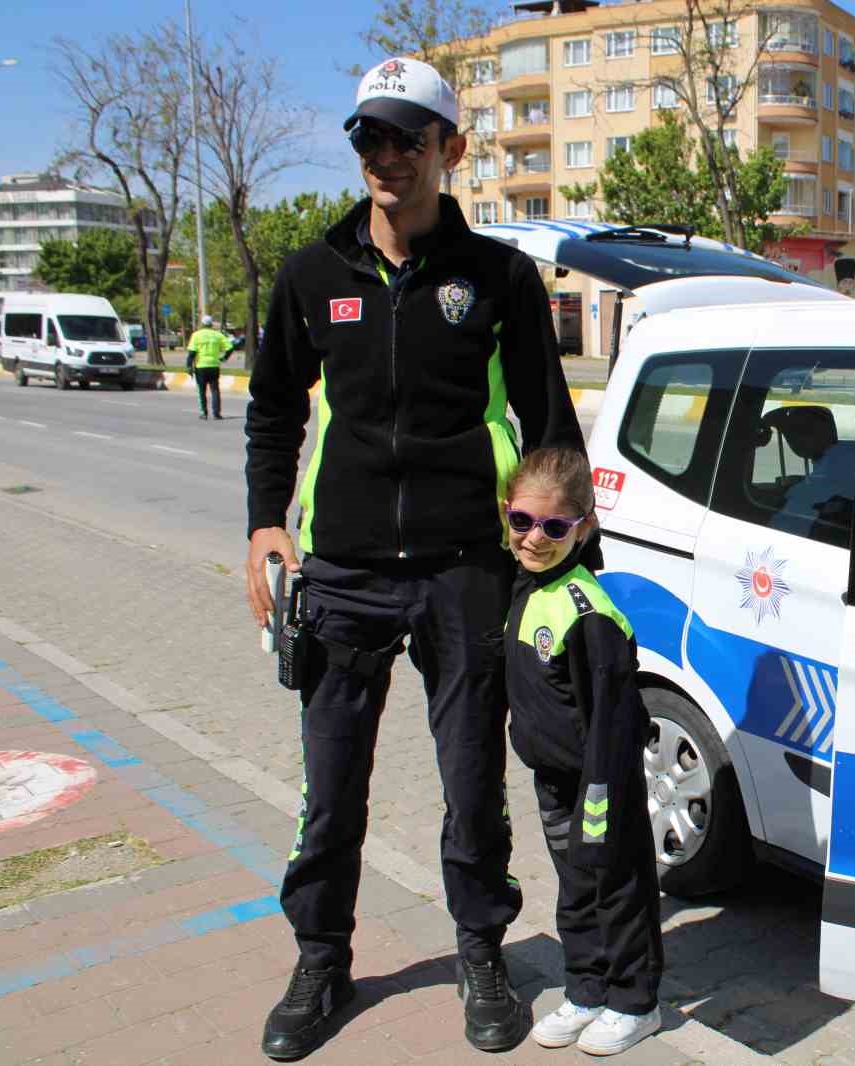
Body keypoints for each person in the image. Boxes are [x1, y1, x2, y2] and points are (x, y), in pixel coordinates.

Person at [243, 55, 586, 1060]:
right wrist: (268, 523)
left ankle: (480, 949)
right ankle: (320, 958)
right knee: (330, 783)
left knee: (472, 778)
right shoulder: (312, 274)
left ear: (452, 149)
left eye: (406, 137)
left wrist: (559, 556)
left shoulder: (498, 278)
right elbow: (271, 408)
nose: (385, 156)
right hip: (343, 569)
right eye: (367, 137)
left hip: (462, 568)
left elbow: (548, 423)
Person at [502, 448, 665, 1057]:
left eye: (553, 527)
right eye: (522, 521)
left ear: (583, 529)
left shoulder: (587, 613)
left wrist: (601, 797)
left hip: (602, 784)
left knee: (617, 888)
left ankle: (634, 1001)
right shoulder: (526, 586)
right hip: (555, 780)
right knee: (574, 889)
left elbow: (615, 725)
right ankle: (587, 988)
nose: (534, 538)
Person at [185, 314, 233, 420]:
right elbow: (230, 347)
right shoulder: (217, 335)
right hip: (214, 366)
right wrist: (224, 358)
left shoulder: (196, 335)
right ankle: (216, 413)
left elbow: (192, 352)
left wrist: (188, 366)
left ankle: (204, 413)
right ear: (211, 324)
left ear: (202, 324)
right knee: (215, 390)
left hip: (201, 366)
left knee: (202, 391)